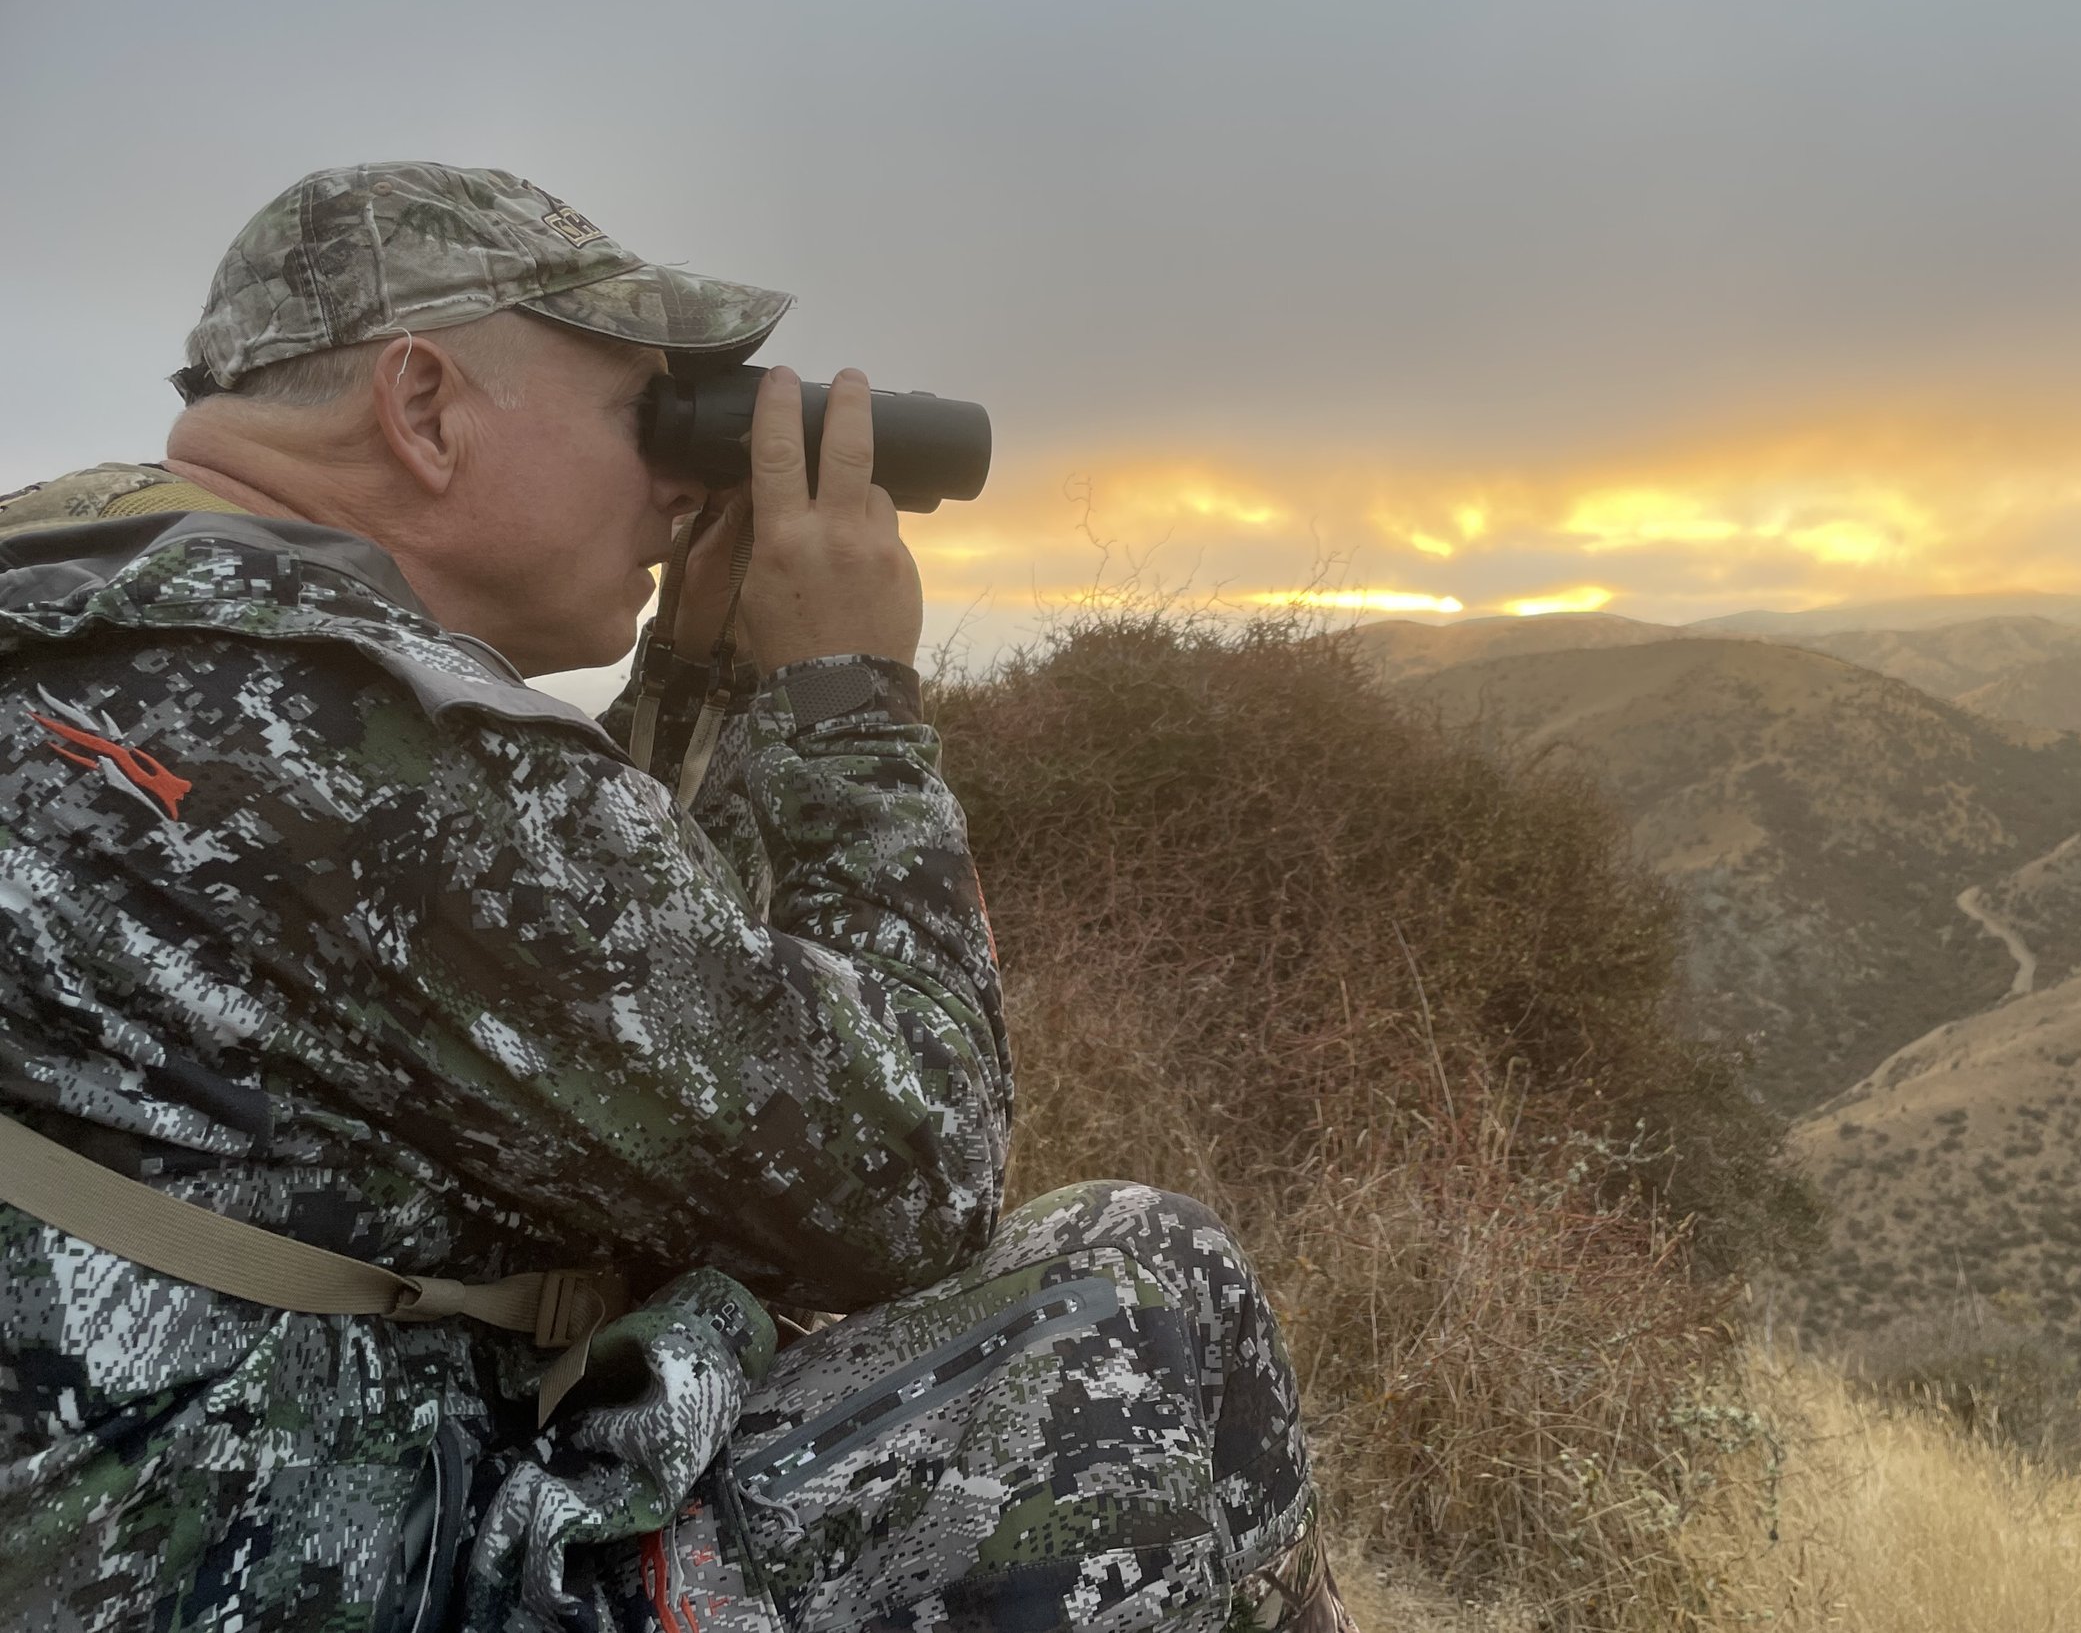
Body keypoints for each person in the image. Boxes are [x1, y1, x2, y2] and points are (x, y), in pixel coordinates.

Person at [0, 163, 1352, 1633]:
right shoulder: (360, 727)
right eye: (646, 415)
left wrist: (697, 667)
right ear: (425, 405)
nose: (680, 477)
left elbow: (586, 1000)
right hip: (286, 1575)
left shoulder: (91, 605)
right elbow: (902, 1178)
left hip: (118, 1529)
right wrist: (849, 698)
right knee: (1140, 1280)